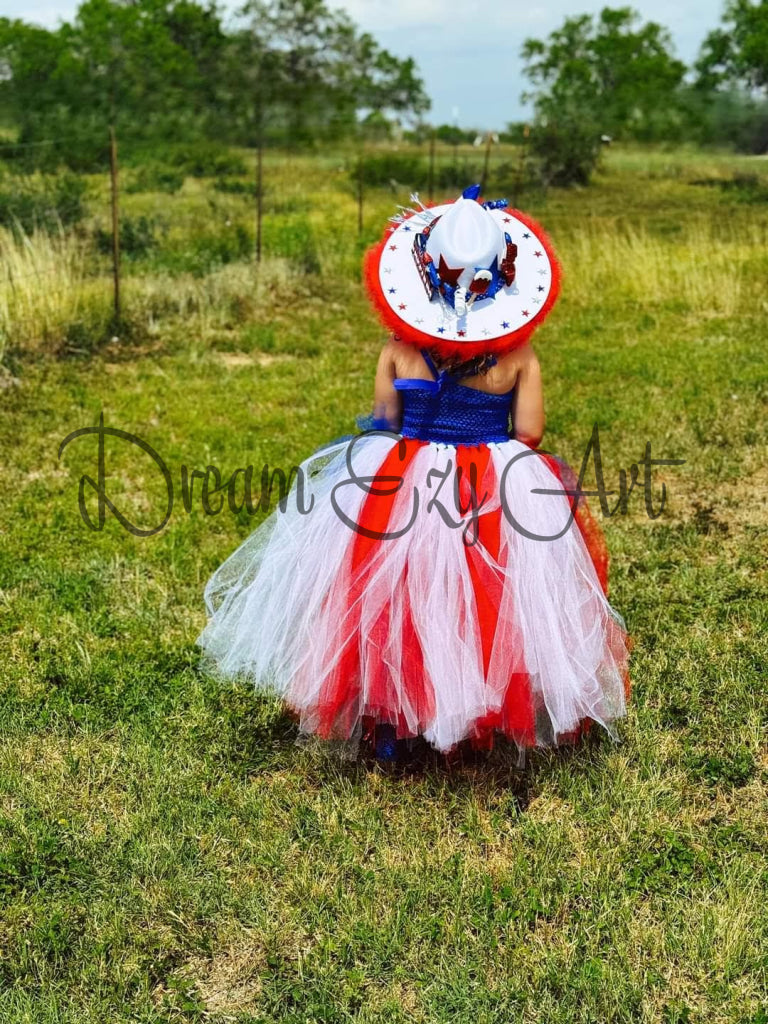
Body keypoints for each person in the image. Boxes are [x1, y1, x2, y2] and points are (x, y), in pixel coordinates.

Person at [196, 185, 631, 765]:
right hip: (491, 480)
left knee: (391, 591)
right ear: (504, 280)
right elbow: (529, 434)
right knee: (488, 593)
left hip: (403, 475)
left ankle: (390, 717)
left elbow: (384, 421)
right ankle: (484, 702)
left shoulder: (398, 349)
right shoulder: (520, 358)